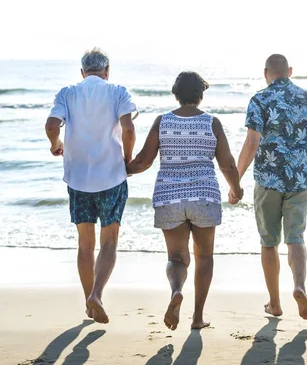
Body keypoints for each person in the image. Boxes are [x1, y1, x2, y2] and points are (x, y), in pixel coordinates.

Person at [126, 71, 242, 330]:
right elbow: (227, 164)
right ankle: (198, 316)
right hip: (204, 195)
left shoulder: (162, 121)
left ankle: (177, 290)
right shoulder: (211, 123)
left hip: (169, 196)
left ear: (175, 94)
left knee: (177, 258)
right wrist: (235, 188)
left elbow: (144, 161)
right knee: (205, 257)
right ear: (201, 96)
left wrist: (122, 170)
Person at [236, 54, 307, 320]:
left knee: (269, 242)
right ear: (290, 71)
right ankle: (299, 286)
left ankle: (274, 303)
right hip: (300, 180)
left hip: (268, 181)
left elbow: (252, 142)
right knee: (296, 238)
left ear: (266, 73)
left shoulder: (260, 100)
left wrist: (235, 179)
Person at [45, 48, 137, 324]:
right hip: (111, 177)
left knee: (85, 244)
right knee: (109, 242)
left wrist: (56, 144)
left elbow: (52, 125)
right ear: (107, 71)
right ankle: (97, 294)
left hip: (78, 179)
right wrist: (127, 159)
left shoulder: (68, 92)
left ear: (83, 72)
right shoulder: (118, 91)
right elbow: (129, 129)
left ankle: (89, 302)